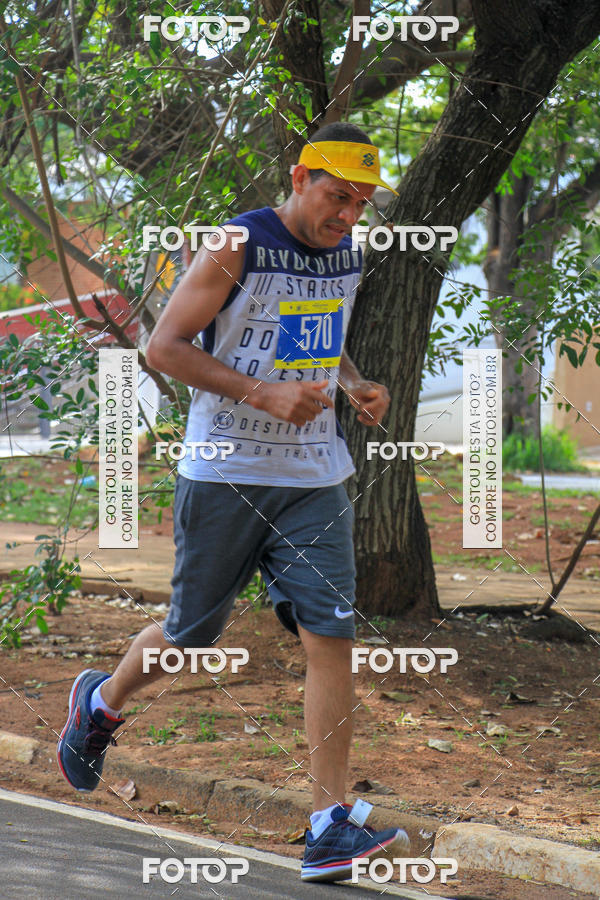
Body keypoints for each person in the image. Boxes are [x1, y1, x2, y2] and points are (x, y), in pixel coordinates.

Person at [58, 121, 410, 882]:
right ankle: (101, 703)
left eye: (362, 203)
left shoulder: (345, 254)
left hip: (313, 474)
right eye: (336, 196)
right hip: (224, 470)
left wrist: (353, 385)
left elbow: (319, 332)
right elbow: (166, 348)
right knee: (190, 637)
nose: (348, 215)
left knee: (331, 633)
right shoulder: (235, 245)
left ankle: (326, 825)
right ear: (299, 177)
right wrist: (260, 391)